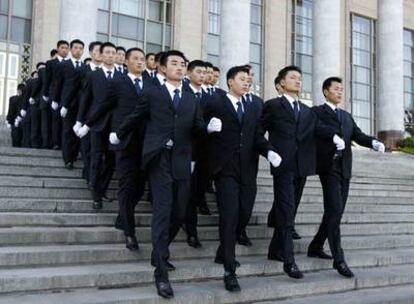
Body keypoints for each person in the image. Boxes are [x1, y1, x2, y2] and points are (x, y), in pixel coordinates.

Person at [110, 50, 206, 299]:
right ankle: (161, 273)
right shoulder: (151, 92)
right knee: (163, 211)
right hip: (159, 157)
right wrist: (119, 133)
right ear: (162, 68)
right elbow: (135, 116)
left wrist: (209, 128)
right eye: (174, 63)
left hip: (182, 160)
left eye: (182, 64)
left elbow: (197, 128)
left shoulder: (190, 97)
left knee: (181, 211)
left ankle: (158, 251)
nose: (179, 67)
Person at [204, 65, 281, 292]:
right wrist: (207, 130)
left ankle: (222, 251)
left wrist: (268, 151)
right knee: (229, 216)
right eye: (242, 79)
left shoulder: (253, 106)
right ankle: (229, 271)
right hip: (224, 169)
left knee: (244, 212)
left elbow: (256, 136)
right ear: (230, 81)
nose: (247, 82)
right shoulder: (215, 102)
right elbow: (197, 127)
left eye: (248, 80)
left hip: (248, 169)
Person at [262, 65, 343, 279]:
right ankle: (289, 262)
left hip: (302, 166)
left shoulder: (307, 110)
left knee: (289, 209)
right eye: (293, 77)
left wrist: (334, 135)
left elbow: (318, 128)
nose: (298, 81)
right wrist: (268, 151)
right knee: (287, 211)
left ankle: (274, 250)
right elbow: (259, 133)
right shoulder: (272, 105)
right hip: (282, 165)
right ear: (281, 83)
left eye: (300, 77)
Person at [307, 77, 385, 278]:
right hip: (328, 167)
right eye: (336, 89)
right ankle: (339, 259)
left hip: (345, 168)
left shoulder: (346, 116)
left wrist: (374, 142)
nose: (340, 92)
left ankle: (316, 245)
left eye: (342, 89)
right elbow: (316, 128)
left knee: (336, 212)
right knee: (334, 210)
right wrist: (332, 136)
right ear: (326, 91)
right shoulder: (317, 112)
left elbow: (357, 135)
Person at [86, 47, 153, 251]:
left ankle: (121, 217)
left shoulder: (151, 83)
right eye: (136, 59)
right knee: (126, 185)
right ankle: (129, 233)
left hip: (146, 142)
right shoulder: (117, 81)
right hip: (123, 141)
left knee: (140, 187)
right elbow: (103, 105)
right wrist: (87, 123)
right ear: (126, 61)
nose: (140, 62)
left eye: (142, 59)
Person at [76, 42, 121, 209]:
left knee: (111, 161)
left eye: (113, 52)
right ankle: (96, 194)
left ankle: (102, 188)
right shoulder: (93, 76)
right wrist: (80, 121)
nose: (110, 55)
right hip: (96, 123)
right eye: (107, 52)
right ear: (101, 55)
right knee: (96, 158)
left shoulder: (121, 76)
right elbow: (85, 100)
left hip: (115, 125)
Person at [183, 59, 209, 248]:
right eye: (199, 72)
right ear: (189, 73)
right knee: (188, 193)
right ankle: (191, 231)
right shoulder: (182, 92)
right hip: (185, 150)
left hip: (206, 152)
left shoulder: (212, 95)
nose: (202, 75)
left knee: (198, 190)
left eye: (204, 72)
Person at [74, 41, 102, 186]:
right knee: (87, 147)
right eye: (98, 51)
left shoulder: (108, 73)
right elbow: (79, 94)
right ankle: (88, 173)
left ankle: (93, 178)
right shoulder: (82, 71)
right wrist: (78, 119)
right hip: (86, 114)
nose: (101, 54)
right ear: (91, 53)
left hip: (103, 117)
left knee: (97, 151)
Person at [57, 39, 85, 169]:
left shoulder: (85, 67)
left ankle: (74, 154)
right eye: (76, 48)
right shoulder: (63, 65)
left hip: (81, 104)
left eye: (80, 48)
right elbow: (57, 85)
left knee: (77, 131)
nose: (78, 50)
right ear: (71, 49)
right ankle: (68, 158)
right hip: (67, 103)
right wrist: (59, 102)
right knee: (67, 130)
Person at [47, 40, 70, 150]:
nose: (65, 50)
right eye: (62, 48)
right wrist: (47, 96)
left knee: (66, 120)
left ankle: (64, 143)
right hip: (54, 95)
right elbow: (47, 81)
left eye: (66, 48)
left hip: (66, 95)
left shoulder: (71, 63)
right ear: (57, 49)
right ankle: (56, 142)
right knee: (55, 119)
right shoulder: (51, 63)